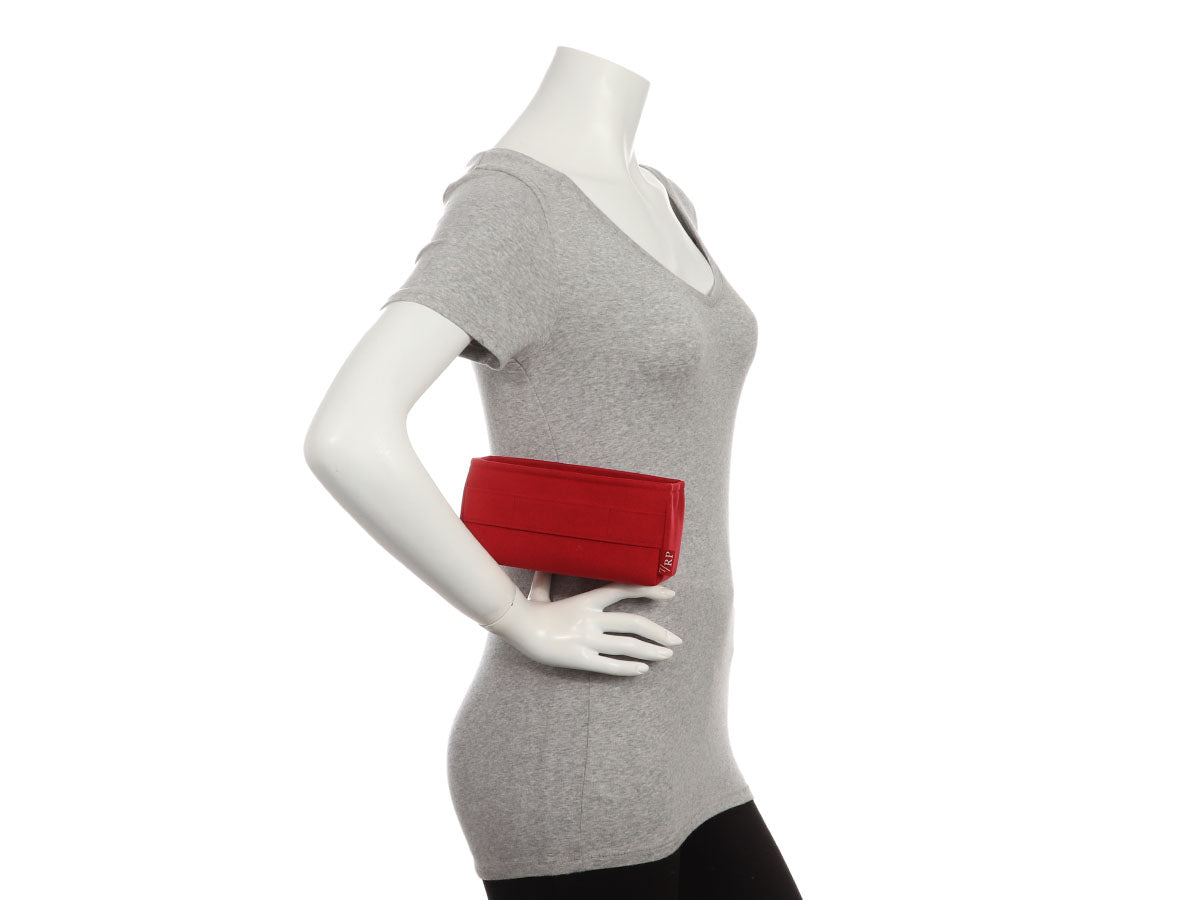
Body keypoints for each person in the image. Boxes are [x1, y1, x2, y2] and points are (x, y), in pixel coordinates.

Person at [304, 45, 802, 899]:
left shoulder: (663, 196)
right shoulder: (517, 206)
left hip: (692, 745)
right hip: (574, 748)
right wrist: (513, 615)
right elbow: (347, 433)